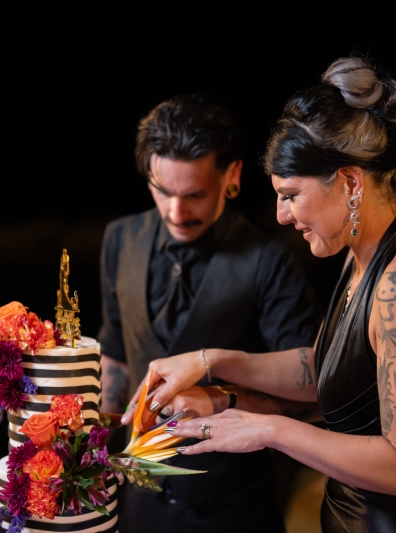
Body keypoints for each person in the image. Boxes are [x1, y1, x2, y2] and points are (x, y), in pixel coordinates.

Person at [121, 57, 396, 532]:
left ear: (350, 183)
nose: (281, 215)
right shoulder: (362, 257)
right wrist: (212, 369)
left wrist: (268, 430)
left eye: (291, 194)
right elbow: (328, 375)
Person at [97, 92, 321, 533]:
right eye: (163, 191)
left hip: (237, 508)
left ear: (232, 175)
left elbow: (311, 388)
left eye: (195, 194)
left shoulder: (271, 257)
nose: (176, 213)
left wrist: (219, 395)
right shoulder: (118, 239)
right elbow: (117, 353)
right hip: (138, 501)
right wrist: (91, 444)